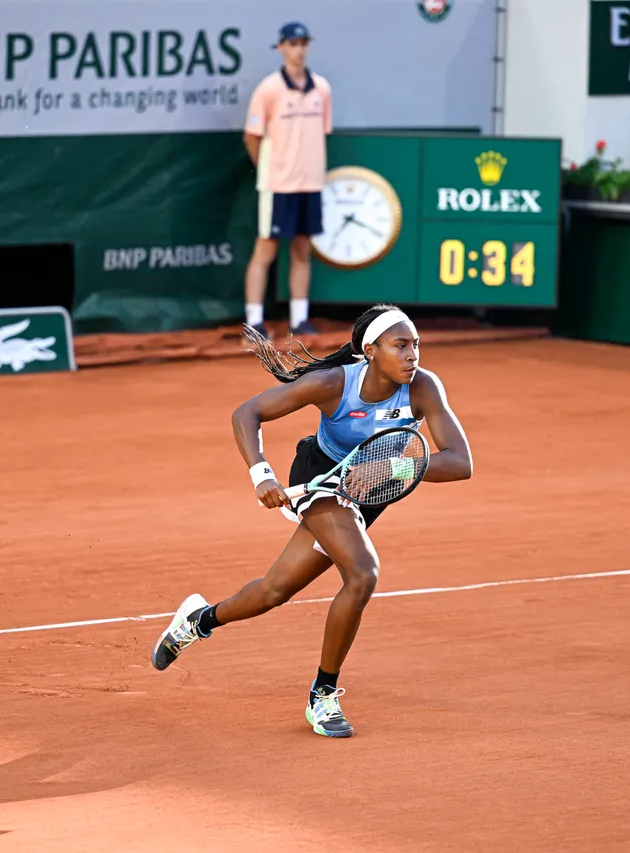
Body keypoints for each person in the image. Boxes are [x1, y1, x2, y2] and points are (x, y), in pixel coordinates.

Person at [150, 304, 474, 738]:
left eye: (415, 344)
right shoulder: (331, 384)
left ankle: (198, 621)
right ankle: (323, 694)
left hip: (369, 492)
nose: (412, 354)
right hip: (319, 478)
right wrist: (260, 473)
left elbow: (459, 461)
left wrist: (389, 471)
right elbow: (246, 413)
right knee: (362, 575)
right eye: (400, 345)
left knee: (274, 590)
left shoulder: (423, 387)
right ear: (370, 350)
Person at [242, 21, 333, 341]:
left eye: (303, 43)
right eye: (293, 44)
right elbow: (252, 136)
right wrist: (268, 168)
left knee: (301, 250)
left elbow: (321, 133)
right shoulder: (268, 90)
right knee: (264, 251)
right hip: (277, 186)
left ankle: (299, 319)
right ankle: (254, 323)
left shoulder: (322, 89)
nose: (299, 49)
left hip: (310, 184)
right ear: (281, 47)